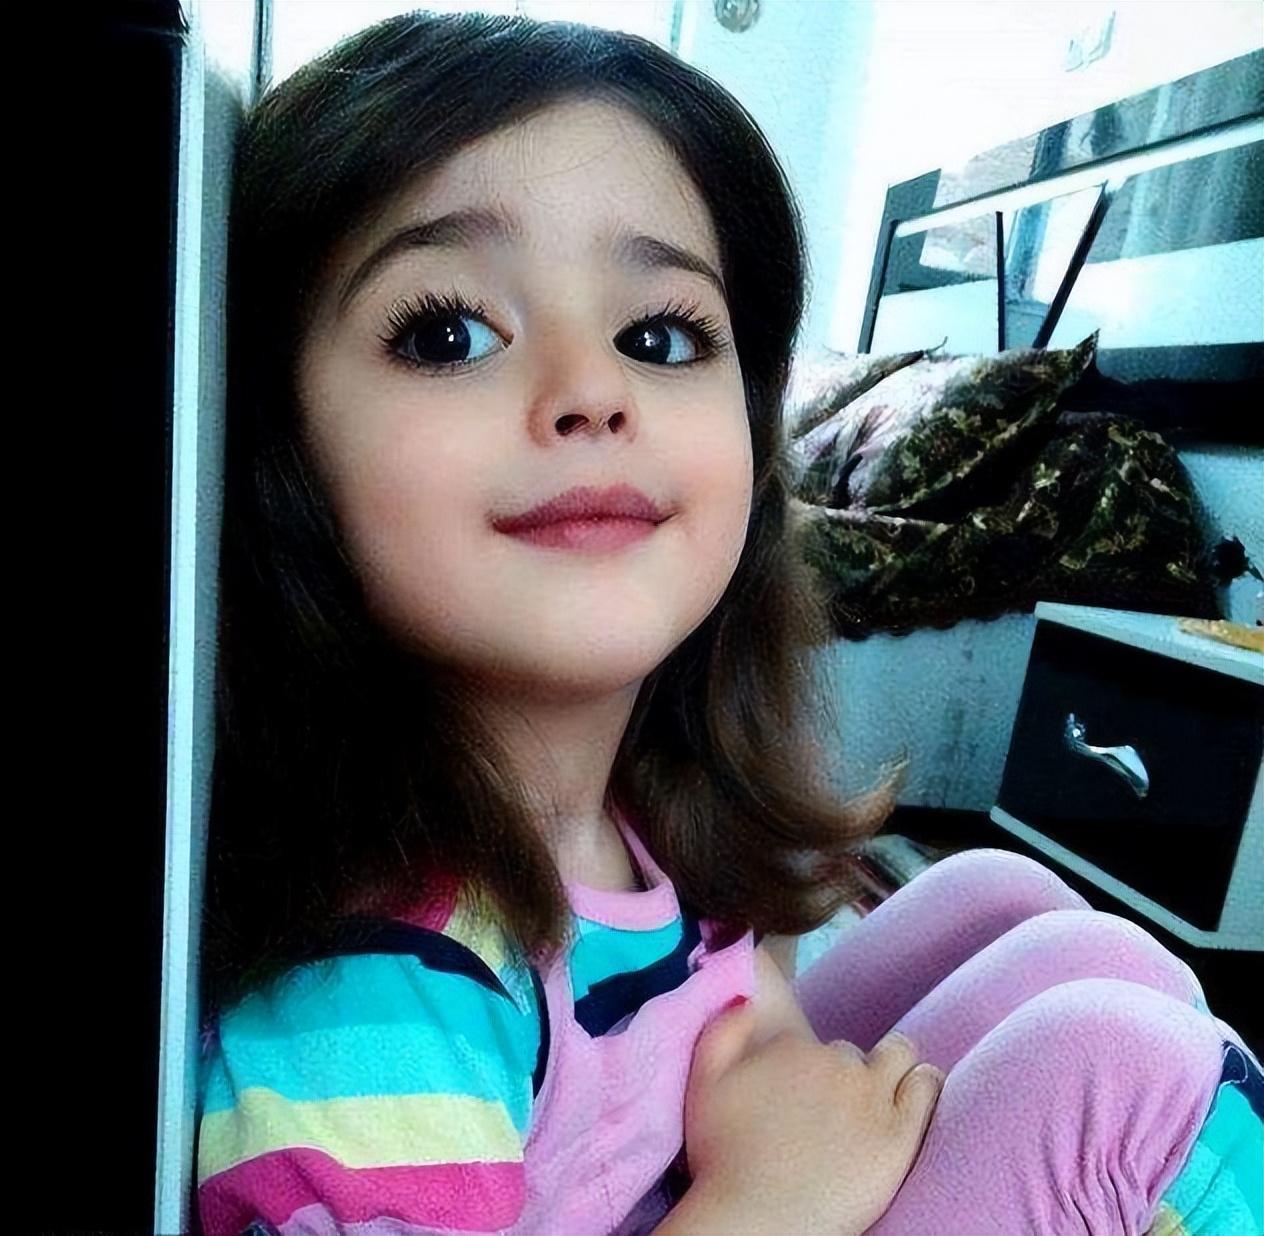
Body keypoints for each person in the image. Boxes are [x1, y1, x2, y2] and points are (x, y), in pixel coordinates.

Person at [195, 12, 1262, 1235]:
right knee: (1124, 1072)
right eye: (449, 333)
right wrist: (765, 1202)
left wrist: (780, 1092)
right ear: (268, 441)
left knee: (1026, 914)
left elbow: (736, 1030)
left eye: (660, 337)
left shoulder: (645, 815)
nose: (592, 392)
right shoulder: (380, 987)